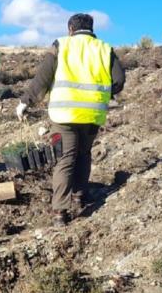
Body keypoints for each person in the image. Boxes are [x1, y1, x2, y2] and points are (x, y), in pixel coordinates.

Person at [15, 13, 126, 226]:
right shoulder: (104, 48)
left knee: (65, 160)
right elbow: (119, 80)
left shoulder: (61, 45)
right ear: (92, 29)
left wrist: (25, 102)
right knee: (84, 154)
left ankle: (60, 212)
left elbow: (43, 78)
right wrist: (104, 94)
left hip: (63, 115)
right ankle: (80, 195)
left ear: (70, 29)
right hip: (92, 114)